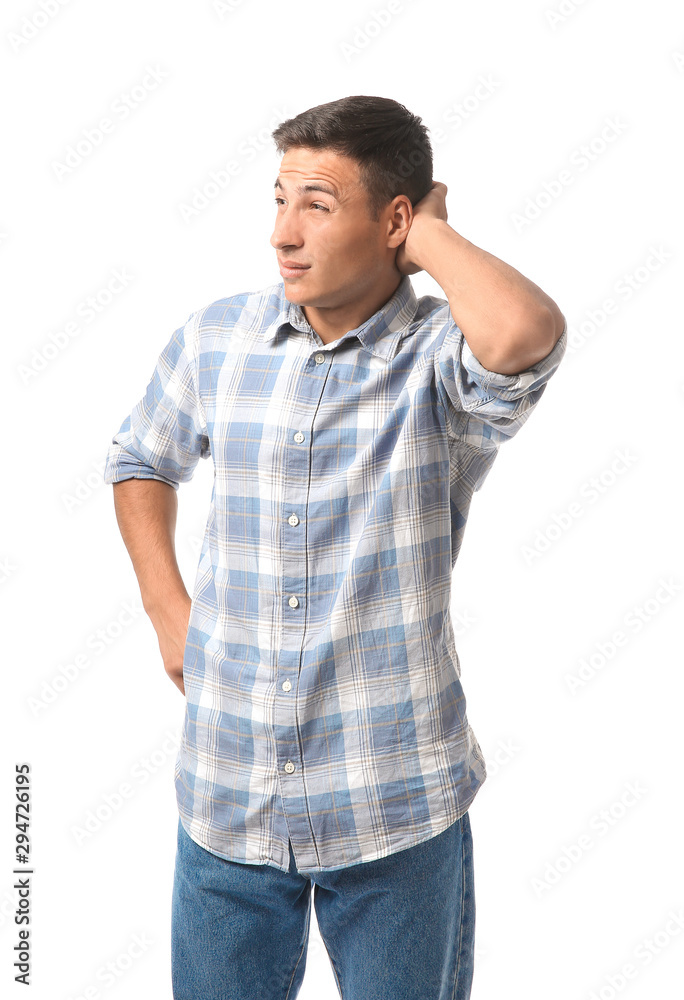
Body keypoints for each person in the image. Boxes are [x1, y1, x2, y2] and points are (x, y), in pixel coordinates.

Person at [104, 95, 567, 1000]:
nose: (283, 233)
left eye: (317, 204)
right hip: (227, 796)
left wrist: (428, 238)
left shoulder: (440, 357)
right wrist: (168, 612)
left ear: (393, 219)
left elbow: (523, 333)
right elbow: (138, 458)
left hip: (393, 801)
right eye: (278, 199)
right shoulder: (217, 339)